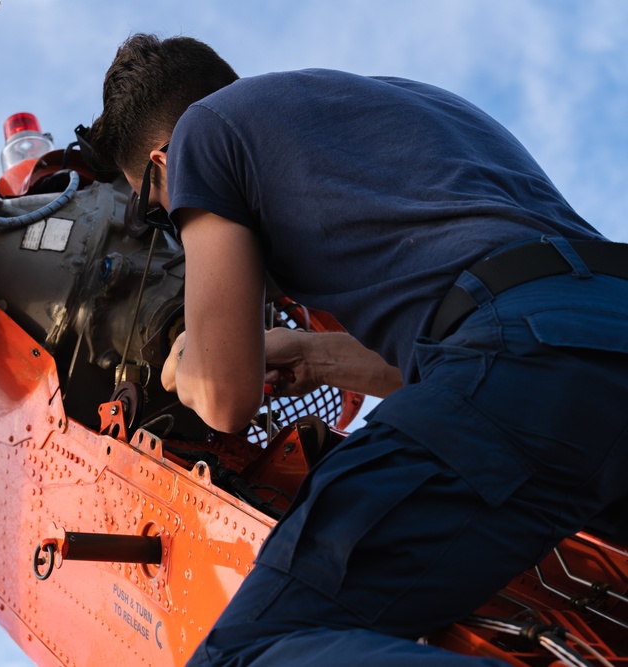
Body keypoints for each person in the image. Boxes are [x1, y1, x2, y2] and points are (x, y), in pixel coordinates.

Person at [90, 34, 628, 666]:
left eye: (162, 212)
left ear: (162, 163)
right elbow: (511, 328)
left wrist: (191, 358)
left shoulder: (203, 133)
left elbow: (225, 396)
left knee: (254, 650)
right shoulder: (421, 105)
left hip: (523, 360)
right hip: (579, 339)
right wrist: (314, 354)